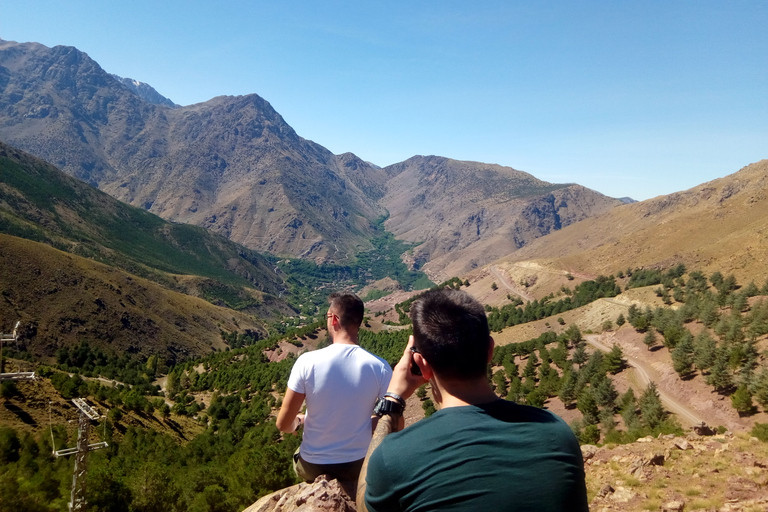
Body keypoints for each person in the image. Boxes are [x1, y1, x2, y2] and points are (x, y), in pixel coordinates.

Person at [357, 289, 589, 512]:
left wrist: (392, 400)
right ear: (490, 351)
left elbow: (363, 505)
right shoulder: (557, 434)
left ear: (421, 364)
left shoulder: (395, 457)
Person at [276, 291, 392, 496]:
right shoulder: (380, 367)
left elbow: (283, 424)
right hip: (358, 465)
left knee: (296, 457)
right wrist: (366, 422)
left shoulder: (307, 362)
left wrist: (299, 422)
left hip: (313, 466)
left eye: (327, 316)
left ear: (334, 319)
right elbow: (391, 425)